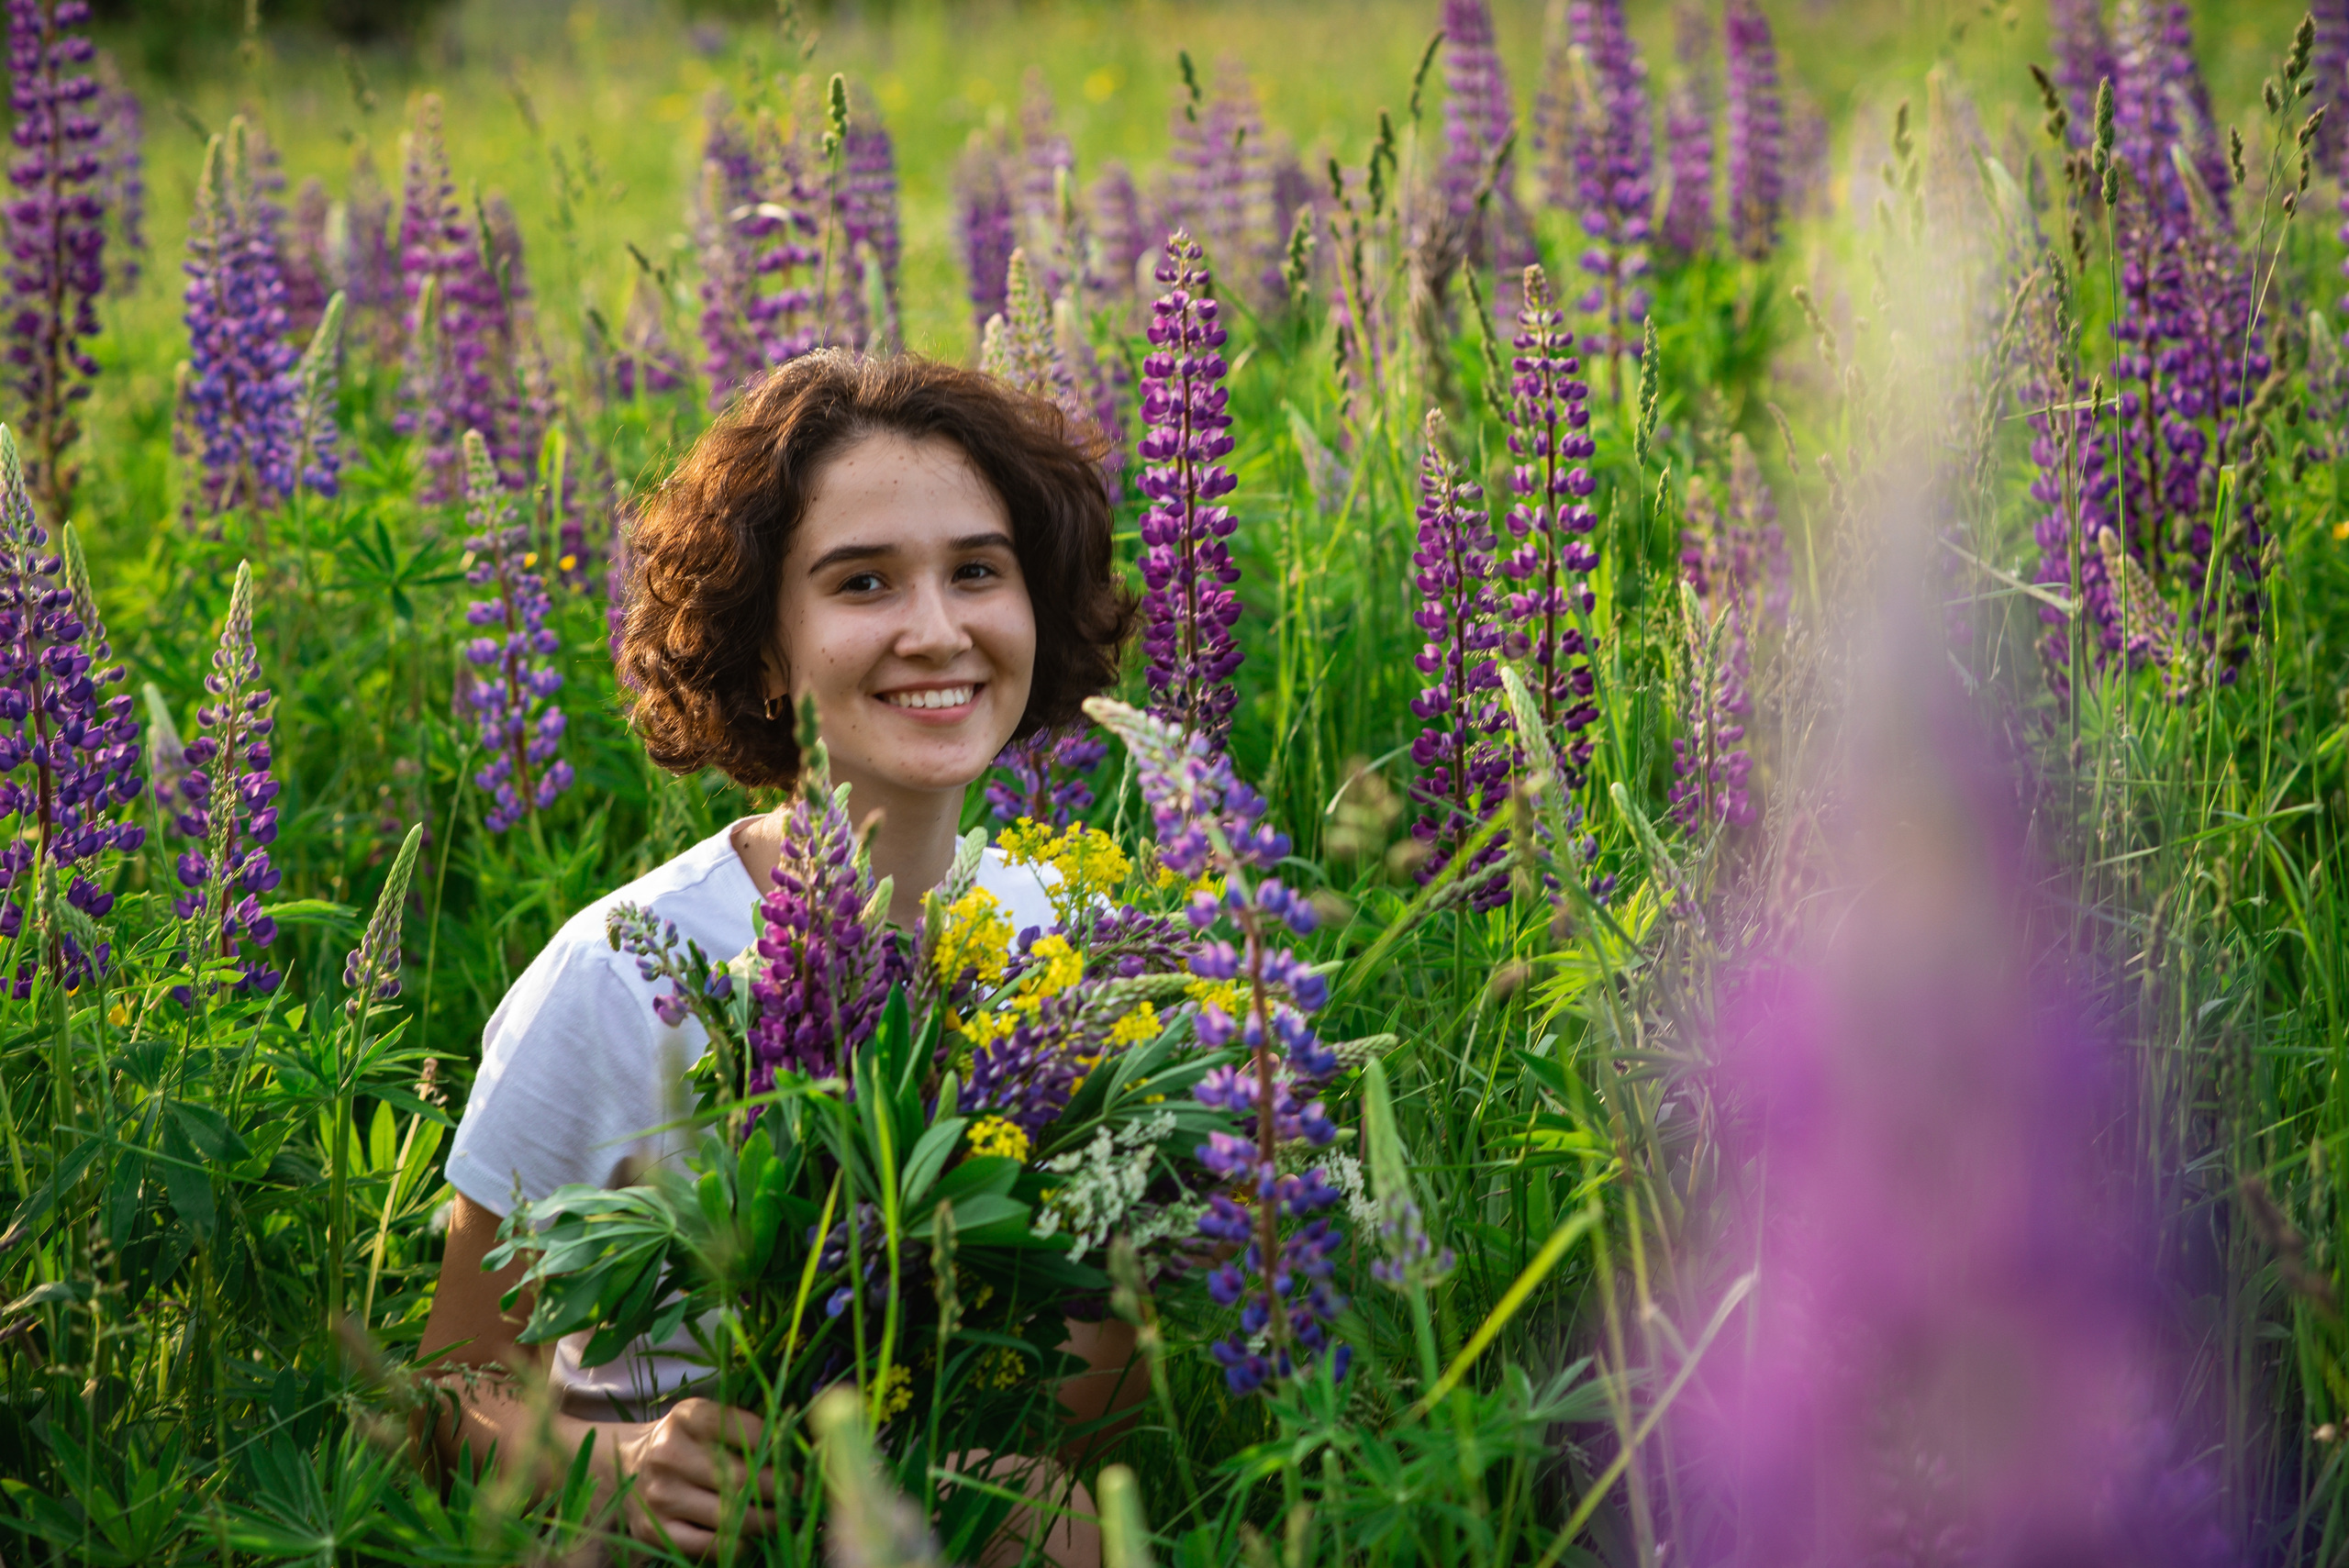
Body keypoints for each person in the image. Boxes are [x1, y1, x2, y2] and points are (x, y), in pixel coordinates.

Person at [417, 351, 1141, 1563]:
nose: (936, 627)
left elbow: (1078, 1421)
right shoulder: (622, 969)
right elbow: (446, 1389)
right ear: (759, 644)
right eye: (863, 582)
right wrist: (613, 1465)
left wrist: (1182, 1229)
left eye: (978, 569)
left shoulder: (1068, 943)